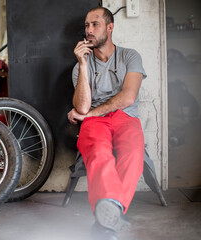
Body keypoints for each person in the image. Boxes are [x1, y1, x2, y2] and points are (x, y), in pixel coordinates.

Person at [67, 6, 147, 233]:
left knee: (133, 155)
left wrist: (87, 114)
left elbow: (128, 97)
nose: (89, 30)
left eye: (95, 24)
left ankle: (106, 218)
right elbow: (81, 106)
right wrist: (83, 65)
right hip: (95, 124)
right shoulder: (79, 66)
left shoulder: (130, 56)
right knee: (100, 155)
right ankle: (111, 219)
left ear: (110, 27)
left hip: (125, 117)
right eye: (86, 26)